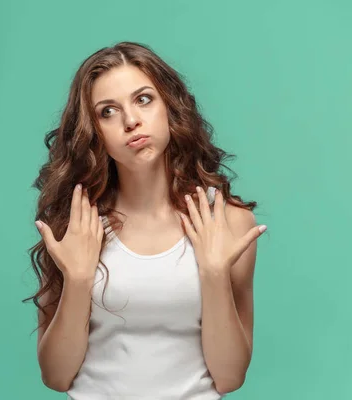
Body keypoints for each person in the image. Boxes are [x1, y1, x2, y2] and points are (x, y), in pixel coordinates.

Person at [24, 41, 267, 399]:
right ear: (93, 132)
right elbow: (57, 377)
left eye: (143, 99)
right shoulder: (75, 225)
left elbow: (229, 377)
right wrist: (77, 280)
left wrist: (214, 274)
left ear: (170, 105)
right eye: (108, 111)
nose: (131, 121)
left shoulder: (228, 222)